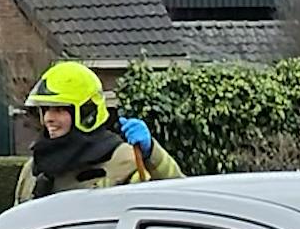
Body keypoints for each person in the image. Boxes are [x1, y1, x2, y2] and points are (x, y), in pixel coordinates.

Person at [14, 62, 181, 204]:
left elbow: (176, 200)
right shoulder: (33, 169)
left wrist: (152, 154)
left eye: (58, 110)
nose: (49, 118)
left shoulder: (121, 160)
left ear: (86, 113)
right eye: (46, 110)